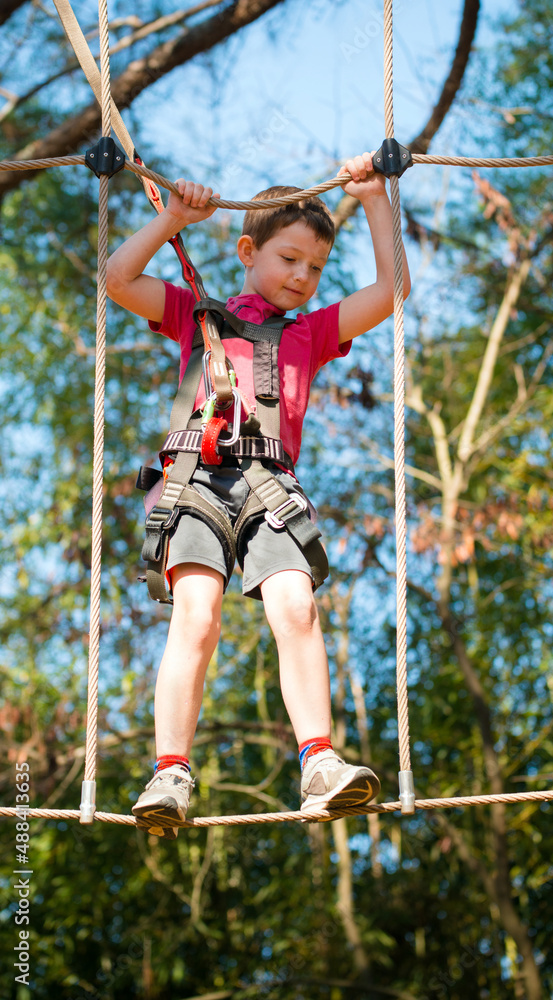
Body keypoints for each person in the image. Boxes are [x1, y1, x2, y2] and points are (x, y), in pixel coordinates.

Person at [106, 152, 411, 837]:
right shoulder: (194, 314)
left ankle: (318, 761)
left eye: (314, 268)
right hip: (195, 482)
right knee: (198, 615)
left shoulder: (312, 332)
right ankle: (171, 771)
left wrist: (371, 199)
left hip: (271, 488)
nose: (301, 278)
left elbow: (391, 290)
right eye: (288, 259)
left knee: (297, 608)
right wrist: (174, 220)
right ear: (248, 251)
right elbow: (117, 279)